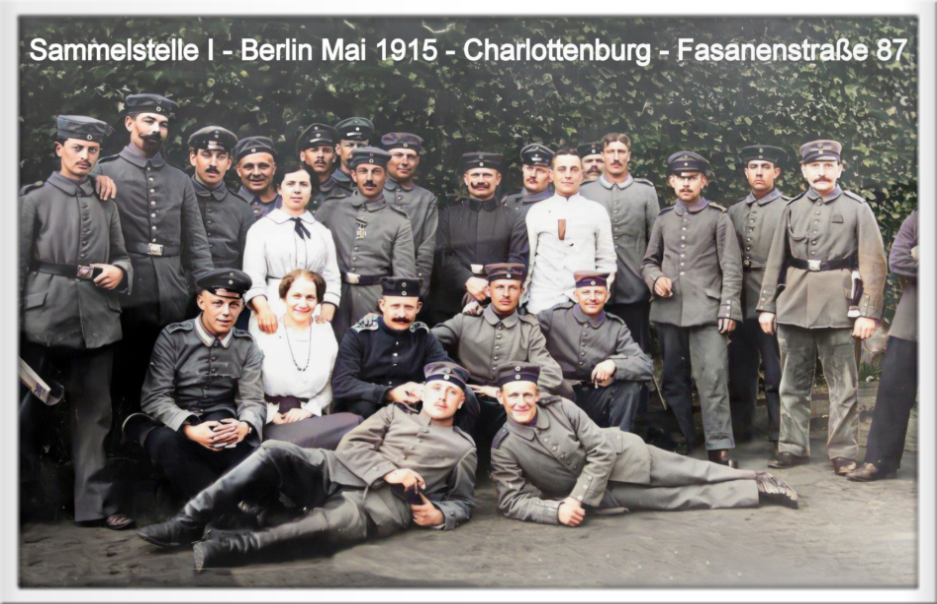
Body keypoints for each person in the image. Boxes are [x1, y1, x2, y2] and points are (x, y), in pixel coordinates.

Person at [136, 361, 478, 571]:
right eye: (436, 388)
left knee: (323, 525)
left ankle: (225, 550)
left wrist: (440, 514)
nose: (442, 396)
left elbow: (463, 501)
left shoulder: (463, 448)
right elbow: (352, 444)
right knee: (274, 451)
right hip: (336, 470)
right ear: (423, 392)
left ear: (461, 400)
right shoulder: (393, 413)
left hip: (379, 506)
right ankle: (188, 521)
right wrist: (389, 471)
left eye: (452, 392)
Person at [489, 363, 798, 528]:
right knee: (676, 499)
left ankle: (759, 479)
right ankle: (752, 492)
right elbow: (511, 501)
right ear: (500, 398)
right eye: (513, 396)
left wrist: (576, 498)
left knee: (693, 471)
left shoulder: (561, 408)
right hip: (604, 493)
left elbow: (600, 450)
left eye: (527, 394)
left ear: (537, 395)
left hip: (624, 455)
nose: (521, 402)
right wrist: (556, 510)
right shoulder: (504, 447)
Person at [19, 115, 134, 530]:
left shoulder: (106, 200)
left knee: (95, 416)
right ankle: (18, 503)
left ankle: (94, 506)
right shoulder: (33, 199)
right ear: (59, 149)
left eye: (92, 149)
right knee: (24, 416)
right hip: (43, 320)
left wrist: (120, 272)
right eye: (77, 148)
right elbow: (14, 264)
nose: (85, 156)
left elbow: (122, 255)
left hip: (97, 321)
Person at [758, 140, 887, 475]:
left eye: (829, 165)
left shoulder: (857, 208)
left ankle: (843, 451)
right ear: (804, 171)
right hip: (794, 304)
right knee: (791, 384)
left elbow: (874, 264)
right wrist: (767, 305)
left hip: (839, 307)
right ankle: (792, 446)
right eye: (815, 166)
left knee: (843, 386)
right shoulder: (792, 208)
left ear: (840, 169)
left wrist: (868, 312)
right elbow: (776, 260)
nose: (822, 172)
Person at [93, 93, 214, 418]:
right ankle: (124, 439)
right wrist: (93, 178)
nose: (156, 128)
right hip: (125, 294)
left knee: (169, 373)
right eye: (148, 120)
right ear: (129, 123)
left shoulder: (179, 179)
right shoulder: (103, 170)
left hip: (171, 292)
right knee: (124, 376)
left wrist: (206, 290)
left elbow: (197, 242)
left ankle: (163, 438)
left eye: (163, 123)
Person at [122, 269, 266, 501]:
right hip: (172, 425)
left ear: (241, 307)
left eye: (234, 304)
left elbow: (252, 399)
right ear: (201, 302)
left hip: (219, 421)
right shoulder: (173, 337)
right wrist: (189, 429)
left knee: (240, 448)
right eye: (217, 303)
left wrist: (245, 426)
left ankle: (212, 508)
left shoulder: (246, 345)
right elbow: (155, 397)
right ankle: (221, 510)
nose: (226, 312)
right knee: (165, 443)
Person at [641, 151, 743, 466]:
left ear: (703, 181)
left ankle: (719, 446)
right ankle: (682, 439)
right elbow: (648, 262)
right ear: (671, 182)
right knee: (673, 377)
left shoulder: (718, 218)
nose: (686, 183)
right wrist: (655, 279)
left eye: (692, 178)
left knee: (712, 375)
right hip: (669, 311)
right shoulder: (664, 219)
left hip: (708, 312)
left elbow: (731, 267)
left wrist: (728, 309)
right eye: (680, 178)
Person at [580, 133, 660, 434]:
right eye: (610, 151)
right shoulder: (585, 191)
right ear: (602, 155)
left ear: (629, 156)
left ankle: (639, 423)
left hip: (633, 288)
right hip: (593, 287)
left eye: (621, 151)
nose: (615, 157)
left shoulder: (644, 191)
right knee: (593, 351)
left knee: (636, 353)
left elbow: (656, 241)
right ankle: (597, 422)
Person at [432, 263, 567, 441]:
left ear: (522, 291)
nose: (505, 294)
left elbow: (550, 372)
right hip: (467, 404)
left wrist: (511, 391)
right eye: (499, 287)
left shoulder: (528, 328)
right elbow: (427, 340)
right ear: (489, 290)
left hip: (509, 406)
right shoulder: (466, 320)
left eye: (512, 288)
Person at [252, 268, 362, 449]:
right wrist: (271, 414)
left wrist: (309, 410)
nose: (302, 304)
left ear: (318, 301)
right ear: (284, 297)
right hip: (272, 418)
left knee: (355, 423)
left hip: (311, 417)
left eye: (310, 297)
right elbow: (250, 382)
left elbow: (332, 380)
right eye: (296, 296)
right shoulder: (265, 331)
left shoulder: (324, 331)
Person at [315, 146, 417, 340]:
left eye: (376, 172)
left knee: (370, 349)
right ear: (354, 175)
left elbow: (403, 274)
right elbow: (311, 256)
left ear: (385, 177)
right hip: (332, 298)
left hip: (374, 299)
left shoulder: (398, 220)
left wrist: (392, 309)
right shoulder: (330, 209)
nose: (369, 178)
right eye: (363, 171)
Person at [848, 210, 918, 481]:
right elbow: (898, 261)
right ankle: (880, 461)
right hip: (913, 317)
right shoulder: (919, 217)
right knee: (892, 390)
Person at [726, 145, 789, 444]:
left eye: (765, 167)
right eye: (754, 167)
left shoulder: (788, 208)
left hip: (774, 300)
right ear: (746, 172)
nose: (759, 172)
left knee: (776, 373)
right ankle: (742, 432)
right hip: (740, 301)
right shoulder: (735, 211)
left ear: (776, 172)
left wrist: (774, 302)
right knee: (740, 372)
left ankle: (780, 434)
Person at [537, 271, 653, 432]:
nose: (592, 298)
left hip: (596, 397)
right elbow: (524, 333)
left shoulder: (615, 327)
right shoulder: (552, 317)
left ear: (607, 296)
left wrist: (614, 364)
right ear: (575, 295)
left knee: (629, 387)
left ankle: (618, 441)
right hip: (558, 395)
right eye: (586, 292)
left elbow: (645, 365)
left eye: (598, 292)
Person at [332, 277, 454, 419]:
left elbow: (445, 368)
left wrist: (423, 387)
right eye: (395, 306)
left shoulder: (423, 335)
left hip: (410, 405)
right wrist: (388, 393)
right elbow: (342, 382)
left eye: (408, 307)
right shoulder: (359, 334)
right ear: (382, 305)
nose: (402, 314)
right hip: (366, 407)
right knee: (363, 407)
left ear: (418, 307)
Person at [428, 152, 528, 325]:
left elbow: (517, 257)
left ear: (498, 179)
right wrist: (467, 279)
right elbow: (441, 255)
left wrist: (492, 287)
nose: (481, 180)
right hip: (450, 302)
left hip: (496, 300)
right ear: (466, 179)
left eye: (487, 175)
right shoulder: (448, 214)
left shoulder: (514, 217)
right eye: (475, 175)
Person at [243, 164, 341, 336]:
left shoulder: (322, 232)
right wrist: (263, 310)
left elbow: (331, 277)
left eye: (303, 184)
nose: (297, 190)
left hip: (312, 310)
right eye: (290, 184)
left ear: (311, 190)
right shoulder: (260, 229)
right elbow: (253, 277)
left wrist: (327, 311)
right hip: (273, 309)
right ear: (279, 189)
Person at [523, 146, 616, 314]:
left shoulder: (596, 211)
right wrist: (523, 299)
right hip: (542, 303)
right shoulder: (537, 212)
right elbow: (528, 260)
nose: (567, 175)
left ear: (581, 175)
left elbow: (606, 259)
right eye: (561, 169)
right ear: (551, 175)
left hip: (582, 304)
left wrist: (597, 294)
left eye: (573, 170)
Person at [188, 126, 253, 271]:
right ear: (193, 158)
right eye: (206, 155)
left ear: (229, 163)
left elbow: (250, 263)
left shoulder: (242, 208)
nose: (213, 164)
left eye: (221, 157)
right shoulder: (177, 199)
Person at [381, 132, 439, 296]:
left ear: (417, 161)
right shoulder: (370, 193)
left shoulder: (426, 198)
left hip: (408, 282)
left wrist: (419, 287)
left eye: (411, 156)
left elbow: (427, 247)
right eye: (398, 155)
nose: (405, 162)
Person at [297, 122, 342, 214]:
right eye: (314, 150)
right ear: (302, 155)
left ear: (334, 157)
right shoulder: (292, 191)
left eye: (326, 151)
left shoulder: (344, 194)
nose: (320, 155)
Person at [503, 143, 555, 221]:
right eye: (529, 168)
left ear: (551, 176)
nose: (533, 175)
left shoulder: (555, 206)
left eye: (540, 171)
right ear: (523, 169)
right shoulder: (510, 201)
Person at [234, 136, 281, 221]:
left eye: (263, 166)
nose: (256, 173)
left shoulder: (287, 204)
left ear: (273, 169)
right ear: (239, 171)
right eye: (249, 167)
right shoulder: (228, 205)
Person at [330, 117, 374, 198]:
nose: (355, 150)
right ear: (338, 149)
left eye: (361, 146)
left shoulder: (377, 183)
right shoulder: (328, 185)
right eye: (350, 145)